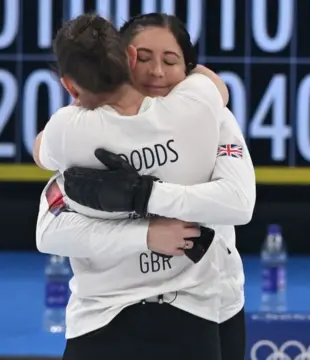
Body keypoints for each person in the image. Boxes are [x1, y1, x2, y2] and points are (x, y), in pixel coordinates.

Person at [33, 13, 254, 360]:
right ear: (127, 59)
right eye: (146, 58)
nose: (157, 72)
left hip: (209, 306)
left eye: (170, 60)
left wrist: (144, 194)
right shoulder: (200, 103)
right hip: (106, 316)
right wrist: (147, 234)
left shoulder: (69, 131)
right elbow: (49, 231)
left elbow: (239, 202)